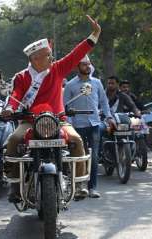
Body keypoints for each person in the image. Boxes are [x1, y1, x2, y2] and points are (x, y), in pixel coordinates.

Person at [4, 15, 102, 203]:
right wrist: (9, 108)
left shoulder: (57, 69)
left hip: (58, 119)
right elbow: (15, 95)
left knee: (76, 139)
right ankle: (14, 185)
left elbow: (76, 54)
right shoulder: (21, 77)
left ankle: (80, 183)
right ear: (35, 58)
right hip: (30, 121)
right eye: (48, 55)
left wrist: (94, 34)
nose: (52, 57)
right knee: (13, 140)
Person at [64, 55, 115, 199]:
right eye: (84, 64)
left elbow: (104, 103)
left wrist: (109, 117)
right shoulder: (70, 85)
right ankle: (79, 186)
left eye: (89, 64)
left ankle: (92, 188)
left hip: (94, 124)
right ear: (77, 67)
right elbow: (65, 107)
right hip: (76, 126)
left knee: (93, 156)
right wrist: (68, 125)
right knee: (78, 157)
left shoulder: (97, 83)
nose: (87, 66)